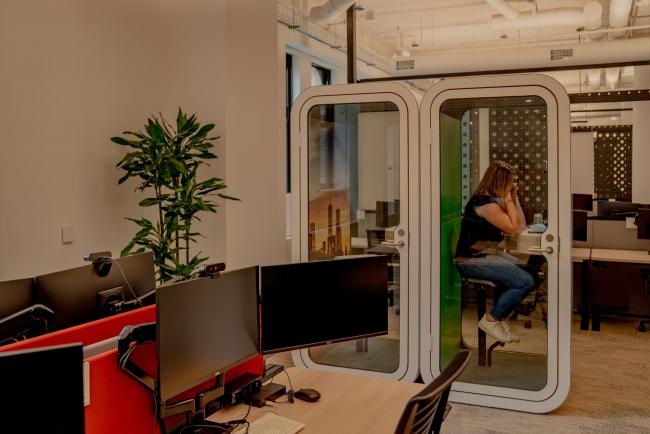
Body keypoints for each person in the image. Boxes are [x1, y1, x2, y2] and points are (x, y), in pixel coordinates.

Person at [455, 160, 535, 343]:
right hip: (470, 260)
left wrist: (513, 198)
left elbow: (520, 224)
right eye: (511, 182)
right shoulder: (486, 204)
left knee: (531, 271)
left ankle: (500, 318)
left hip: (487, 254)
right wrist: (508, 197)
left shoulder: (492, 200)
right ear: (501, 182)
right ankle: (491, 320)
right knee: (525, 281)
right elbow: (515, 228)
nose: (514, 185)